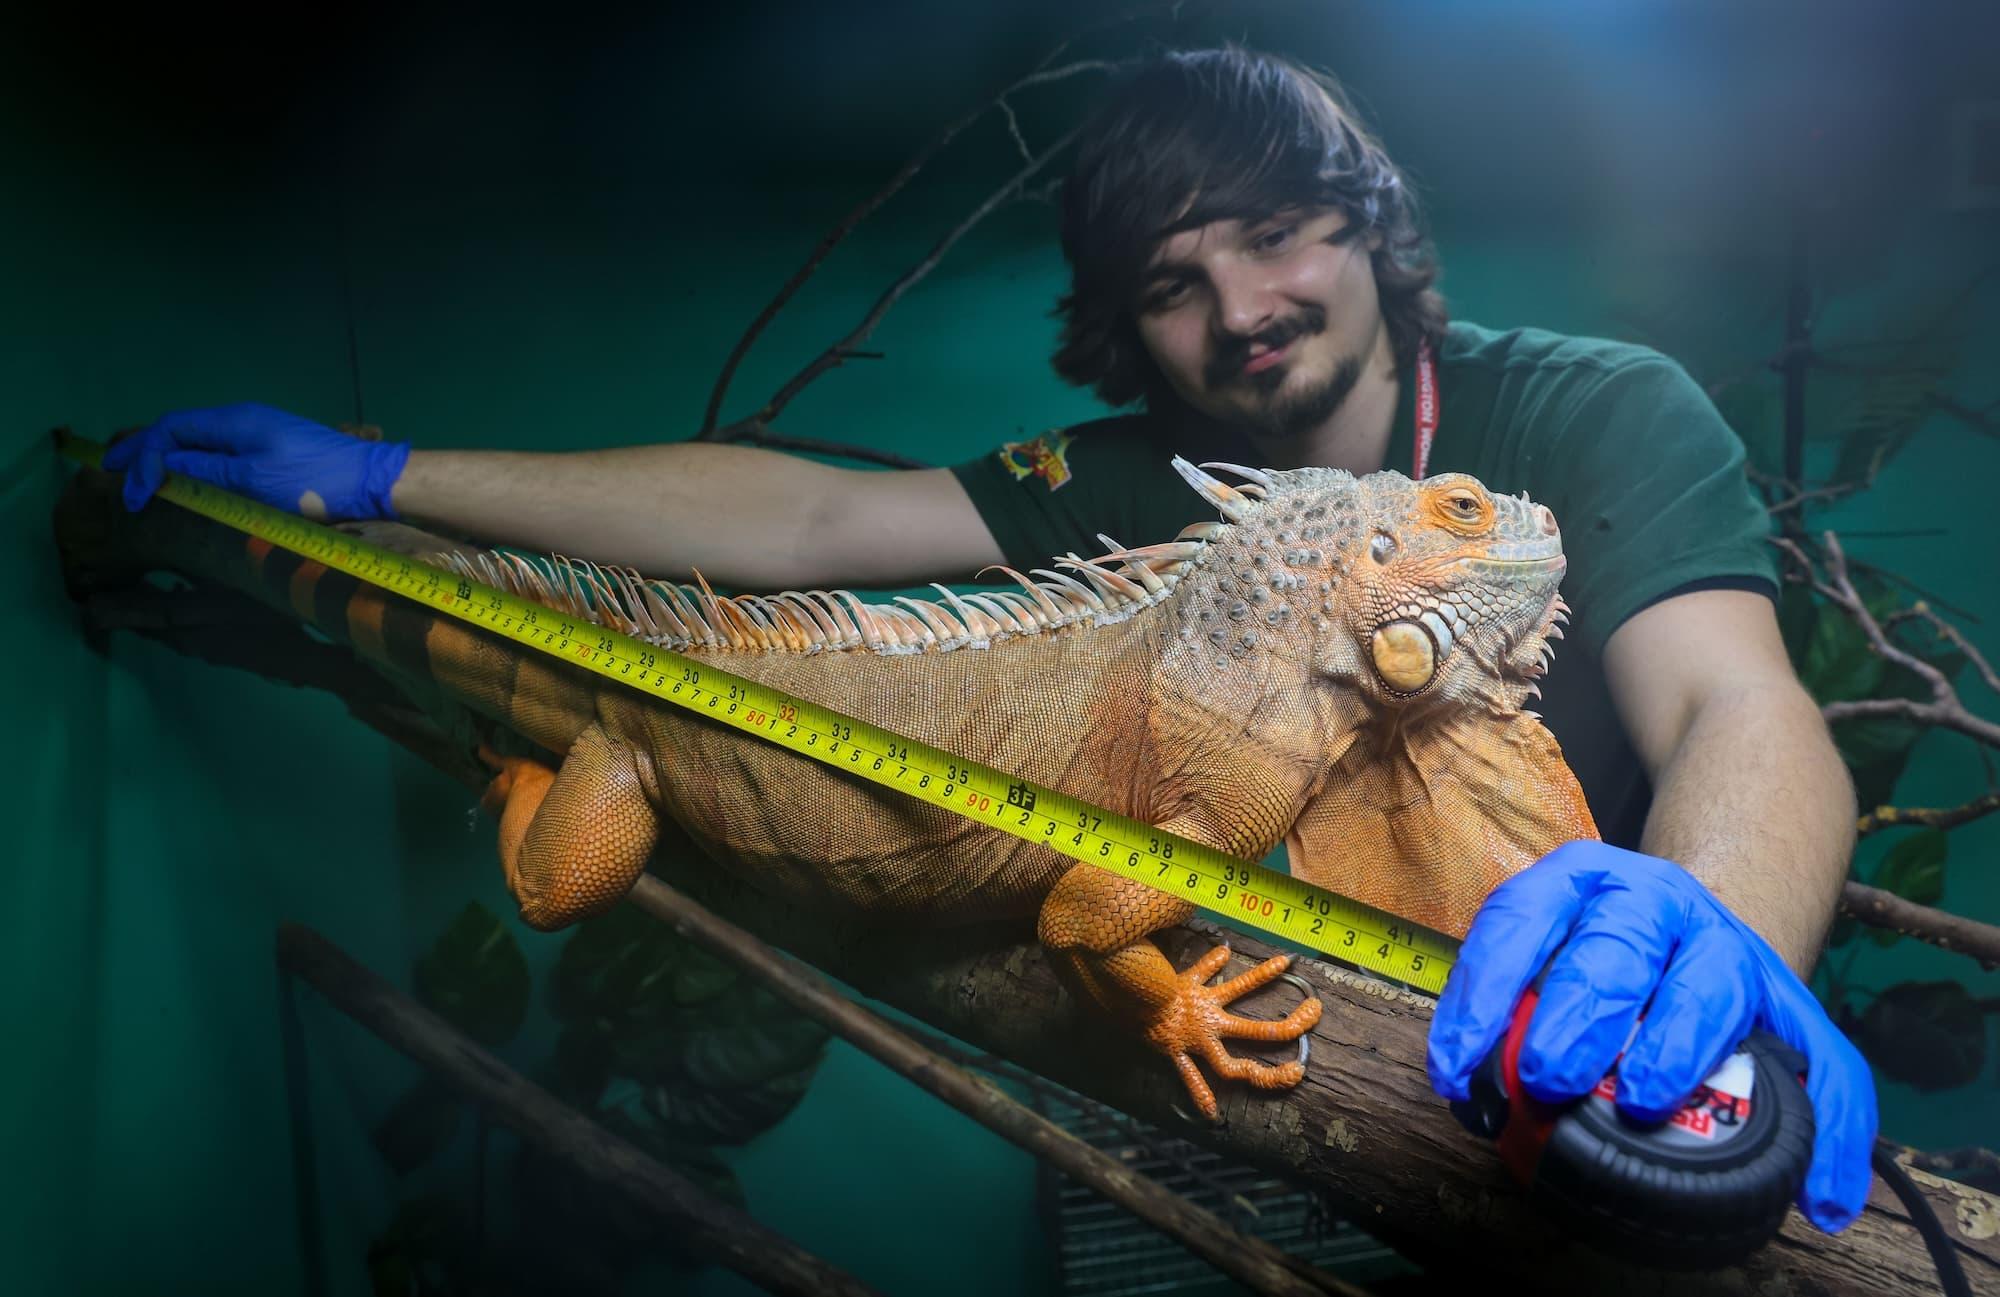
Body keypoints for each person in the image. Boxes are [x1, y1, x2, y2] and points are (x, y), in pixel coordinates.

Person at [105, 46, 1875, 1234]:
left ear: (1371, 227)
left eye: (1274, 236)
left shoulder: (1586, 413)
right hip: (1241, 1104)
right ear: (1126, 325)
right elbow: (809, 523)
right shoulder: (1134, 489)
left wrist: (1704, 929)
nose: (1241, 309)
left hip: (1630, 1104)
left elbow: (1740, 700)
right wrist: (390, 468)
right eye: (1173, 283)